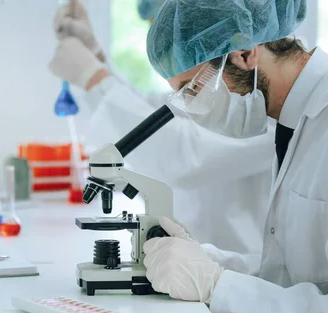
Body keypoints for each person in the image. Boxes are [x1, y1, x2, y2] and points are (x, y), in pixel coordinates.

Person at [142, 0, 328, 313]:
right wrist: (207, 262)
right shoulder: (295, 124)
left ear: (244, 52)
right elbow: (292, 281)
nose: (194, 106)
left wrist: (216, 285)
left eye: (194, 87)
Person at [49, 0, 274, 274]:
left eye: (169, 24)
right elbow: (153, 113)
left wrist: (94, 77)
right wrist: (95, 57)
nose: (164, 38)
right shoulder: (217, 82)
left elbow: (185, 155)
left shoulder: (262, 100)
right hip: (189, 262)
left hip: (239, 274)